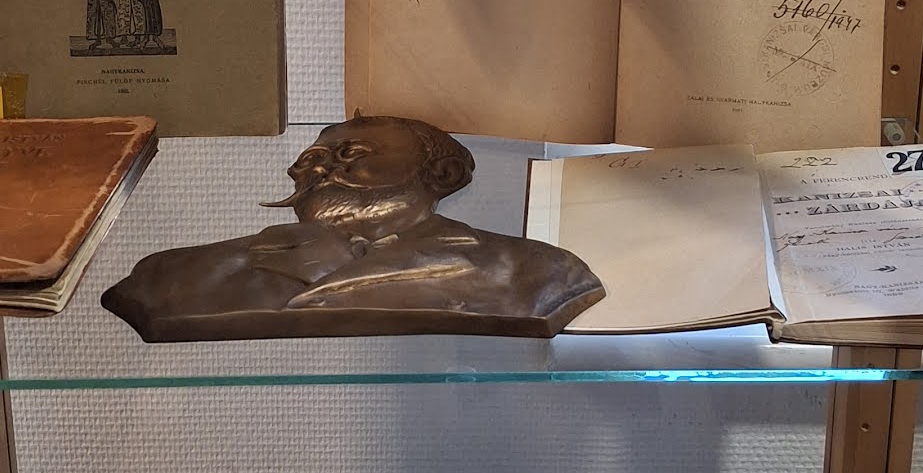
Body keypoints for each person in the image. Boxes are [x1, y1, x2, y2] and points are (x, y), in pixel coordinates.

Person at [102, 115, 604, 341]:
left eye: (351, 154)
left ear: (442, 174)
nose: (316, 168)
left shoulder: (539, 273)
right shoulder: (170, 276)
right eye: (310, 158)